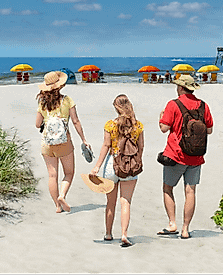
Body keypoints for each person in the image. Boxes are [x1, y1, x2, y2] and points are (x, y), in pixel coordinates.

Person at [158, 74, 214, 239]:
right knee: (190, 192)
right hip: (196, 156)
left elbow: (163, 128)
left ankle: (172, 223)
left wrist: (161, 116)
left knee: (167, 188)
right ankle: (185, 229)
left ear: (181, 88)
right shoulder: (203, 106)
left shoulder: (173, 104)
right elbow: (209, 130)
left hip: (175, 154)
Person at [89, 94, 144, 247]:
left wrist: (97, 166)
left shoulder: (110, 125)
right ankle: (124, 235)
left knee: (110, 203)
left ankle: (108, 233)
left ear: (116, 107)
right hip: (130, 166)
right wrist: (137, 162)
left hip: (111, 166)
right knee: (125, 202)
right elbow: (141, 147)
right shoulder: (138, 125)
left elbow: (106, 146)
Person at [35, 71, 90, 213]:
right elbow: (76, 121)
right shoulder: (67, 100)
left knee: (52, 175)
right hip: (64, 142)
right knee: (69, 173)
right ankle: (62, 195)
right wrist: (83, 139)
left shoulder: (42, 103)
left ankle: (57, 207)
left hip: (47, 143)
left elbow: (37, 124)